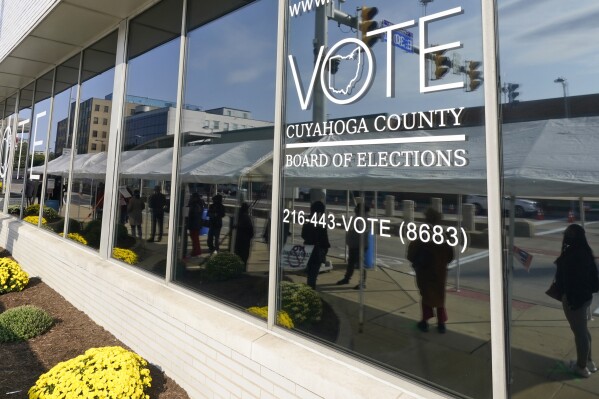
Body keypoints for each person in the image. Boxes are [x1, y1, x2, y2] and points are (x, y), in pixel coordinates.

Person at [554, 224, 599, 378]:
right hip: (584, 298)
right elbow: (594, 280)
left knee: (579, 333)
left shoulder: (572, 254)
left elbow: (568, 280)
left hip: (575, 300)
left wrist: (572, 300)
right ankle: (589, 361)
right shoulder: (585, 252)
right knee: (583, 331)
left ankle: (581, 367)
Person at [407, 208, 454, 333]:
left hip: (425, 272)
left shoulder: (423, 235)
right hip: (439, 272)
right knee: (439, 297)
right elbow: (450, 255)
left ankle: (425, 321)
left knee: (426, 296)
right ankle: (441, 323)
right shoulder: (444, 235)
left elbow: (411, 253)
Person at [337, 204, 370, 289]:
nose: (354, 209)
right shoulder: (358, 218)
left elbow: (360, 233)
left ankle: (362, 283)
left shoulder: (362, 219)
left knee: (360, 264)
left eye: (356, 208)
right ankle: (347, 278)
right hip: (354, 245)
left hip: (359, 246)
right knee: (351, 263)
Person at [301, 201, 330, 289]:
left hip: (308, 248)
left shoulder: (308, 220)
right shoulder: (321, 222)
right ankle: (311, 289)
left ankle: (310, 287)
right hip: (317, 250)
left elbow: (303, 234)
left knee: (310, 271)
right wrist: (325, 250)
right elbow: (324, 239)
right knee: (314, 271)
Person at [234, 202, 254, 268]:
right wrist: (250, 236)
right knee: (243, 256)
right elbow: (250, 229)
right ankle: (242, 269)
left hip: (239, 239)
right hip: (244, 240)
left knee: (239, 255)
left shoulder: (239, 216)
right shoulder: (245, 217)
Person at [186, 192, 205, 257]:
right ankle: (196, 250)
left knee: (194, 238)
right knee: (194, 238)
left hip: (194, 223)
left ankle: (196, 251)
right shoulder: (199, 203)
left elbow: (192, 213)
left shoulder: (195, 204)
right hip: (196, 223)